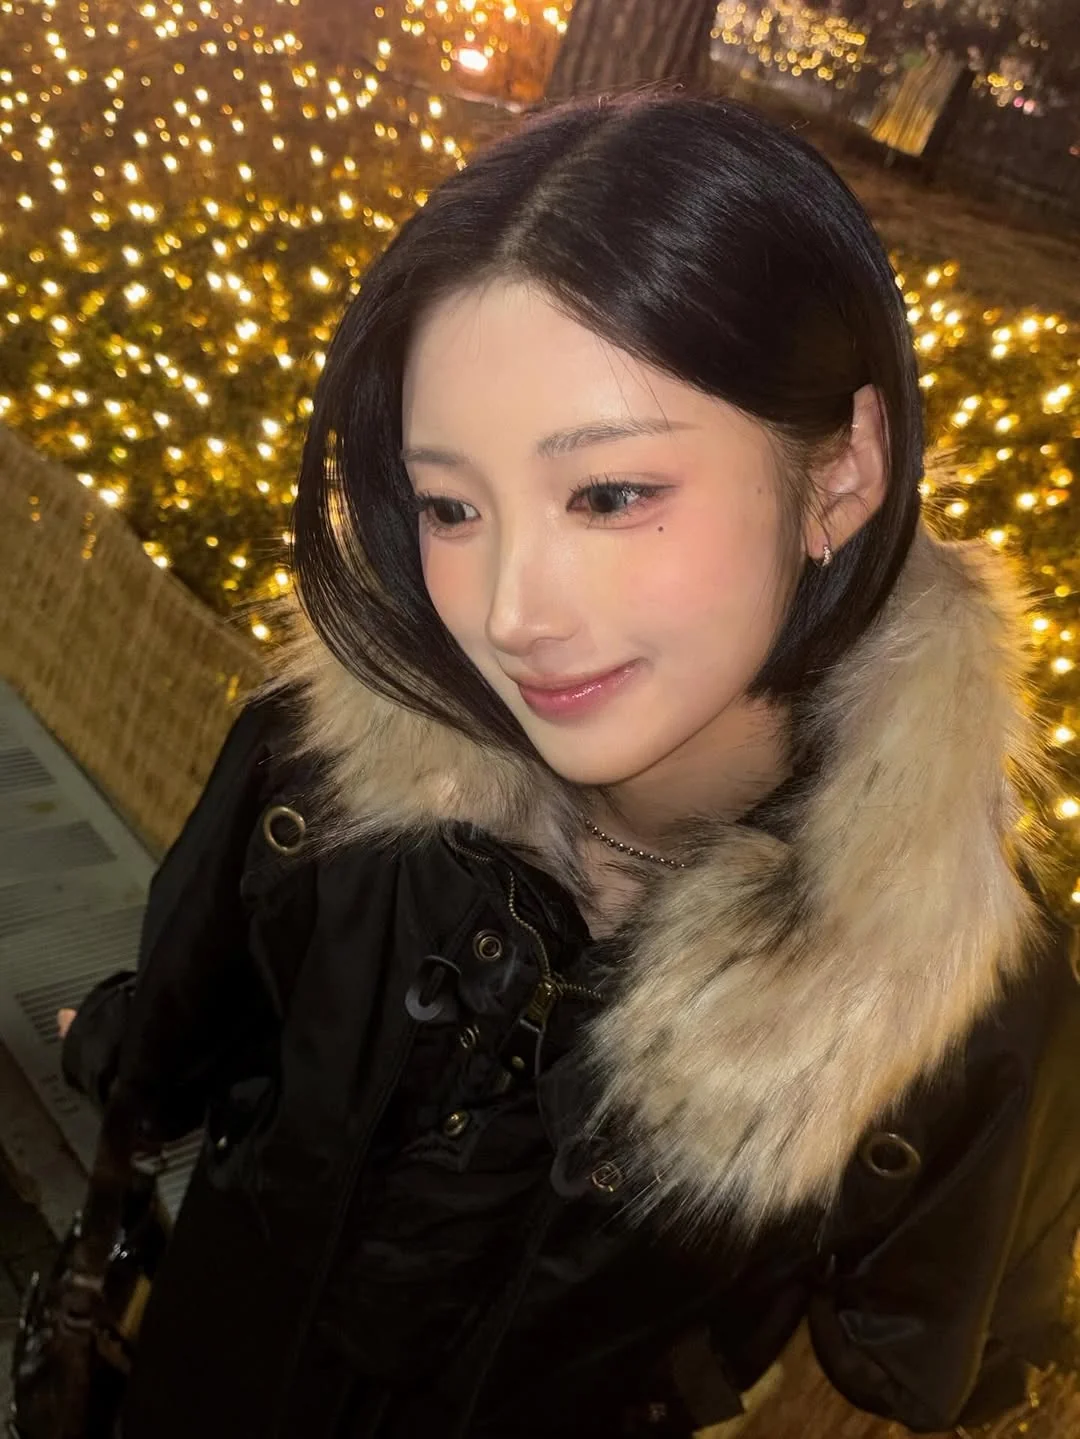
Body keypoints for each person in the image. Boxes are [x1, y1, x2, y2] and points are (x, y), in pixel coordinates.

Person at [58, 90, 1080, 1439]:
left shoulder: (951, 984)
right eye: (449, 506)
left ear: (841, 473)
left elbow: (943, 1351)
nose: (508, 613)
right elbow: (174, 1042)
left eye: (609, 494)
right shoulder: (329, 776)